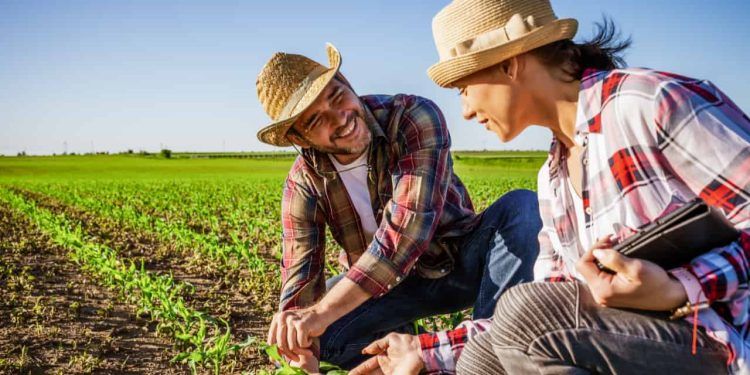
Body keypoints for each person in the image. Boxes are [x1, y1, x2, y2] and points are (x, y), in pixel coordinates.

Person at [352, 0, 750, 374]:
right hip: (633, 340)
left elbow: (536, 315)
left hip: (717, 339)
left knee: (524, 312)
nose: (467, 110)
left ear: (509, 64)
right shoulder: (553, 176)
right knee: (480, 359)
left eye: (464, 89)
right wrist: (425, 350)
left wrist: (679, 288)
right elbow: (554, 304)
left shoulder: (648, 103)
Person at [255, 43, 542, 372]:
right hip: (387, 290)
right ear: (300, 138)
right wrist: (297, 342)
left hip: (459, 264)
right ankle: (413, 359)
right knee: (327, 341)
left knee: (521, 208)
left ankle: (488, 358)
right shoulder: (304, 182)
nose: (340, 118)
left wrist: (319, 315)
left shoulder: (412, 117)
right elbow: (299, 278)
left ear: (346, 82)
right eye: (316, 119)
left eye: (336, 96)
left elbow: (405, 232)